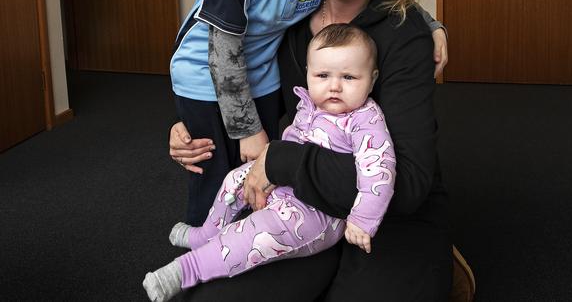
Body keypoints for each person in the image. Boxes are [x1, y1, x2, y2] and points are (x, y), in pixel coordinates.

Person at [169, 0, 452, 301]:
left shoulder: (404, 35)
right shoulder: (293, 10)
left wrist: (282, 159)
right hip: (299, 202)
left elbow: (408, 186)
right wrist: (191, 123)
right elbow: (242, 79)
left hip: (384, 207)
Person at [144, 24, 395, 302]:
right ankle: (206, 234)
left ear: (371, 81)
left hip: (316, 214)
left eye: (349, 77)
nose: (334, 86)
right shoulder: (309, 103)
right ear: (309, 73)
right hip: (284, 184)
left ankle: (187, 270)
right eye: (323, 75)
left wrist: (363, 219)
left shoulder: (364, 119)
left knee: (253, 234)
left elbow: (379, 170)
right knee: (233, 180)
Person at [171, 0, 354, 226]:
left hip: (262, 74)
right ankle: (203, 255)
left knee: (263, 173)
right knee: (218, 179)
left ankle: (256, 242)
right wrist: (248, 129)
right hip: (205, 75)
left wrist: (431, 26)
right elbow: (222, 55)